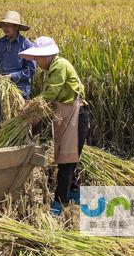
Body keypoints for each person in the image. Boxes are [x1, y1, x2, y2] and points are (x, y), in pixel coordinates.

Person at [18, 36, 89, 216]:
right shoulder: (49, 69)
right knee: (67, 157)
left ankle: (59, 203)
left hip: (75, 115)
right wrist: (34, 115)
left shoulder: (59, 66)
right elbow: (49, 100)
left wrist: (30, 107)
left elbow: (49, 94)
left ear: (49, 55)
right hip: (63, 115)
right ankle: (74, 192)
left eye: (39, 58)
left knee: (67, 160)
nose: (37, 62)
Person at [0, 10, 36, 125]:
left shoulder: (27, 45)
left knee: (19, 123)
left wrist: (12, 76)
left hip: (20, 91)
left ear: (16, 27)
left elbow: (31, 70)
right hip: (0, 90)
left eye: (8, 25)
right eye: (3, 25)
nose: (5, 28)